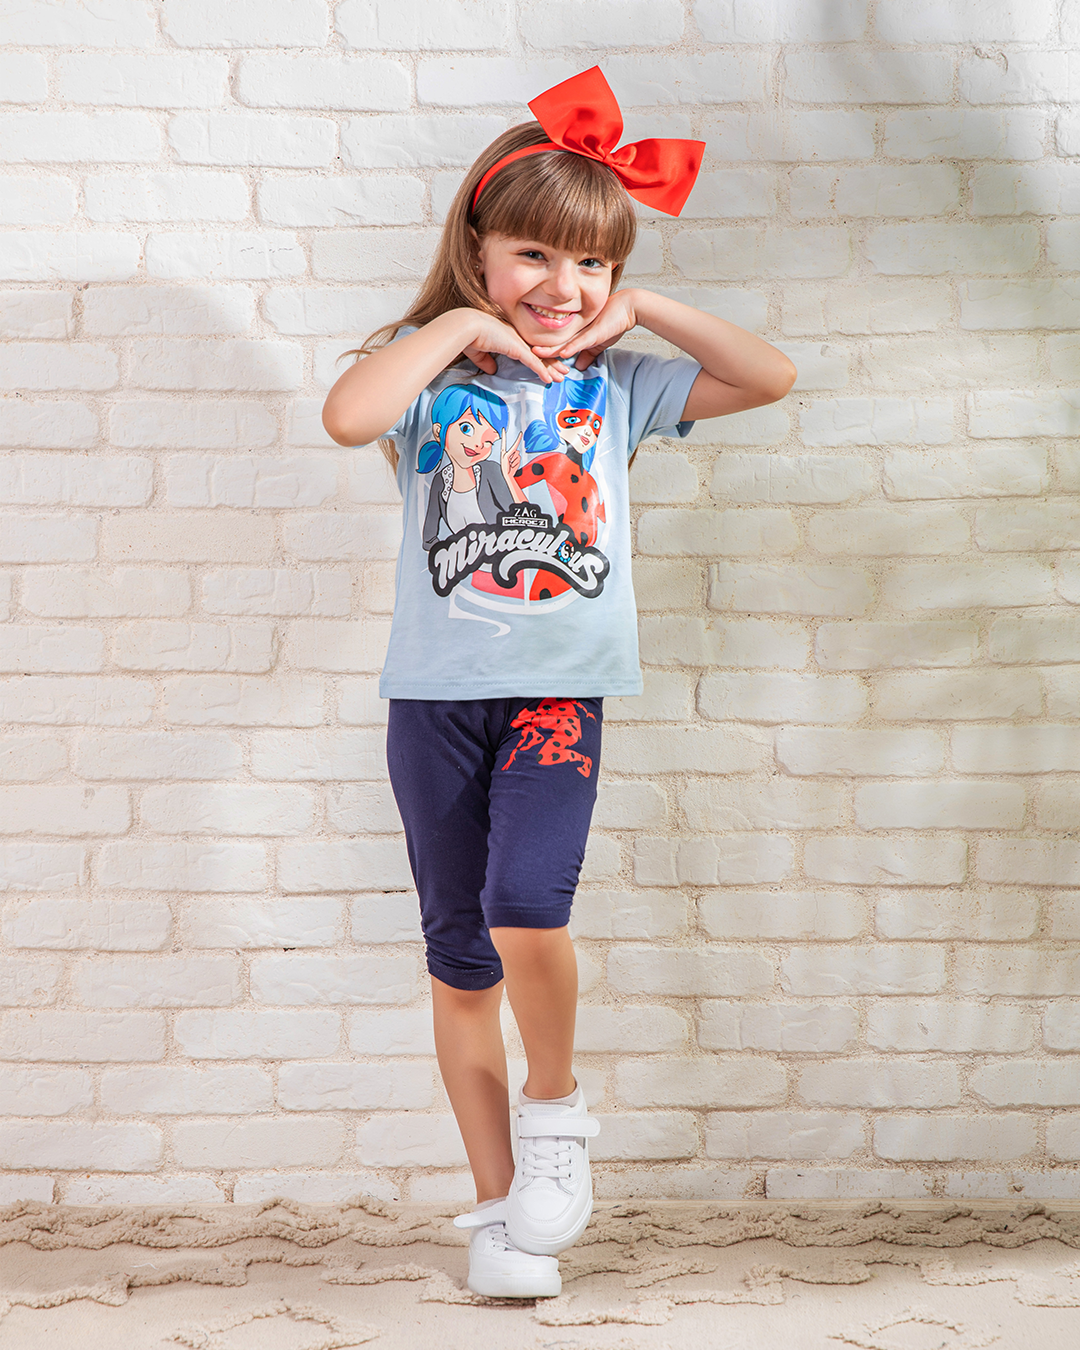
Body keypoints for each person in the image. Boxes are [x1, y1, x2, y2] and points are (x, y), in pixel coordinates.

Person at [323, 67, 796, 1300]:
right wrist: (457, 330)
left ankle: (555, 1115)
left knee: (526, 905)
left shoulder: (616, 385)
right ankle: (498, 1212)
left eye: (590, 262)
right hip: (432, 703)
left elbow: (769, 376)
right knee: (457, 953)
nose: (562, 285)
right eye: (533, 253)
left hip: (554, 696)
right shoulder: (426, 377)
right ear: (477, 249)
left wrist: (644, 305)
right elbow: (348, 415)